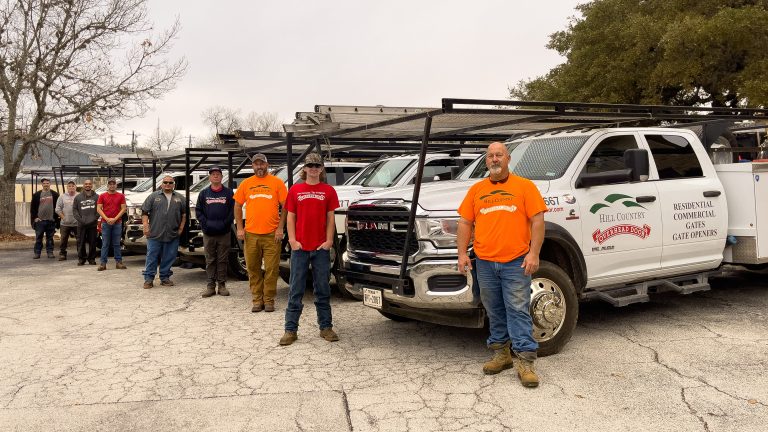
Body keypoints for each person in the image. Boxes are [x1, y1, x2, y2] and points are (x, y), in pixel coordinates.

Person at [457, 142, 547, 388]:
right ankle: (501, 353)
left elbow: (538, 220)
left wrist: (534, 254)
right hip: (484, 262)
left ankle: (525, 361)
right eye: (490, 156)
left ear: (508, 159)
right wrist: (462, 254)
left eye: (498, 155)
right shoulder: (477, 189)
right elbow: (465, 222)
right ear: (486, 161)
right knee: (494, 308)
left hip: (516, 261)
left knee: (517, 309)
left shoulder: (525, 187)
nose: (494, 159)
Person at [279, 153, 340, 346]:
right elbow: (290, 217)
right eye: (310, 165)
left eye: (317, 165)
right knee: (295, 289)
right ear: (304, 169)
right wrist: (293, 240)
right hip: (300, 248)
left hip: (321, 248)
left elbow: (331, 218)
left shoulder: (328, 191)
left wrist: (330, 240)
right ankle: (290, 330)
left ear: (321, 169)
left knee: (322, 289)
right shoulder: (295, 190)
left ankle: (326, 327)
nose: (313, 168)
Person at [234, 153, 287, 313]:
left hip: (272, 234)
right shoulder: (246, 184)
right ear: (253, 166)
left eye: (262, 164)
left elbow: (285, 206)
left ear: (267, 165)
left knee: (272, 269)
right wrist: (240, 228)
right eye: (256, 164)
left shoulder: (277, 183)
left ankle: (269, 300)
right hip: (251, 234)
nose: (259, 167)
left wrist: (280, 228)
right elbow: (237, 206)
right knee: (253, 268)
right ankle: (257, 300)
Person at [141, 175, 187, 289]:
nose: (168, 184)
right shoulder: (153, 196)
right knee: (152, 256)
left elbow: (184, 214)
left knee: (169, 256)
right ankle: (148, 279)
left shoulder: (180, 198)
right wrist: (146, 226)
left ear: (174, 185)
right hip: (155, 233)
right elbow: (144, 212)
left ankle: (165, 277)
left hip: (172, 233)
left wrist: (181, 228)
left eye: (170, 183)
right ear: (161, 184)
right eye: (165, 182)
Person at [196, 166, 235, 297]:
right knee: (210, 259)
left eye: (218, 174)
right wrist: (205, 224)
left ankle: (222, 285)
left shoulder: (229, 193)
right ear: (209, 177)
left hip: (224, 232)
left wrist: (225, 223)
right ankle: (210, 286)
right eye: (213, 174)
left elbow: (233, 211)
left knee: (222, 259)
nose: (216, 176)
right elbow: (198, 211)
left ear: (221, 177)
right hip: (208, 232)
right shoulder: (203, 193)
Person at [96, 178, 127, 271]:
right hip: (105, 223)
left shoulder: (121, 196)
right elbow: (98, 209)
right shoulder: (102, 196)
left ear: (116, 185)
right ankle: (103, 263)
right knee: (105, 244)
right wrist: (107, 219)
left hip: (117, 223)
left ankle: (119, 262)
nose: (112, 185)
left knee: (117, 244)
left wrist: (115, 219)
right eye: (110, 184)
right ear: (107, 185)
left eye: (113, 184)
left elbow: (123, 209)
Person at [30, 178, 60, 259]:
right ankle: (37, 253)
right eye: (44, 183)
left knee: (50, 238)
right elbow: (32, 208)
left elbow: (58, 207)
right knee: (39, 238)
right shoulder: (36, 195)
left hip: (51, 221)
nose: (46, 184)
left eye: (47, 183)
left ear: (50, 184)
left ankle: (50, 252)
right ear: (42, 184)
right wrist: (35, 218)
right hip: (40, 221)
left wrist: (56, 219)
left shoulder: (55, 194)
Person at [73, 179, 99, 266]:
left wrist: (94, 219)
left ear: (92, 185)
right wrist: (80, 220)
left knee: (92, 242)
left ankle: (91, 259)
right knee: (81, 242)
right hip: (81, 224)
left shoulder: (97, 197)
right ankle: (81, 259)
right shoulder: (78, 197)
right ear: (83, 185)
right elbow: (75, 210)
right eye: (86, 184)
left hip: (93, 224)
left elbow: (99, 210)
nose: (88, 185)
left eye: (89, 184)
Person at [55, 181, 78, 261]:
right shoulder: (62, 197)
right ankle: (62, 254)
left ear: (76, 187)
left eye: (73, 186)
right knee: (63, 240)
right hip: (65, 224)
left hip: (77, 223)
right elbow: (57, 209)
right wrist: (63, 218)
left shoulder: (79, 196)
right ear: (67, 187)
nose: (71, 187)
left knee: (80, 239)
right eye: (69, 186)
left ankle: (80, 254)